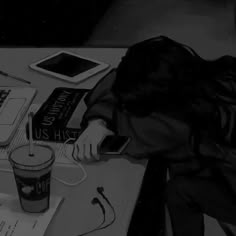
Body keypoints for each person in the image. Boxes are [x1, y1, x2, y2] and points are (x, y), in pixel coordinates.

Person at [73, 36, 236, 236]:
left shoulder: (179, 128)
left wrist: (98, 120)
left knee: (177, 192)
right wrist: (98, 121)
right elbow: (120, 78)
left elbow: (132, 135)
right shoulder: (218, 75)